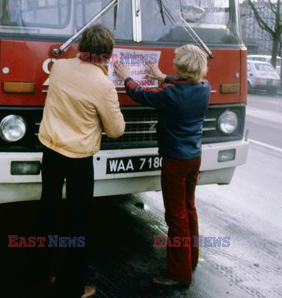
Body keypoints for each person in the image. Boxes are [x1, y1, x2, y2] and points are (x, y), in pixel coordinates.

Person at [36, 24, 125, 298]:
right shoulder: (103, 85)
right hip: (78, 158)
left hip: (50, 149)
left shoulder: (59, 67)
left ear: (82, 47)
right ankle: (73, 286)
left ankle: (43, 272)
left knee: (48, 209)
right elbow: (116, 130)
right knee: (77, 221)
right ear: (107, 54)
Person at [114, 44, 210, 288]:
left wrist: (127, 77)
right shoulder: (204, 88)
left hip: (175, 161)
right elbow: (185, 81)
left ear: (181, 67)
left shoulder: (172, 95)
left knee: (175, 216)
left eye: (177, 61)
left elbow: (141, 95)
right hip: (193, 157)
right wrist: (163, 77)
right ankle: (191, 260)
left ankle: (179, 274)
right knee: (189, 209)